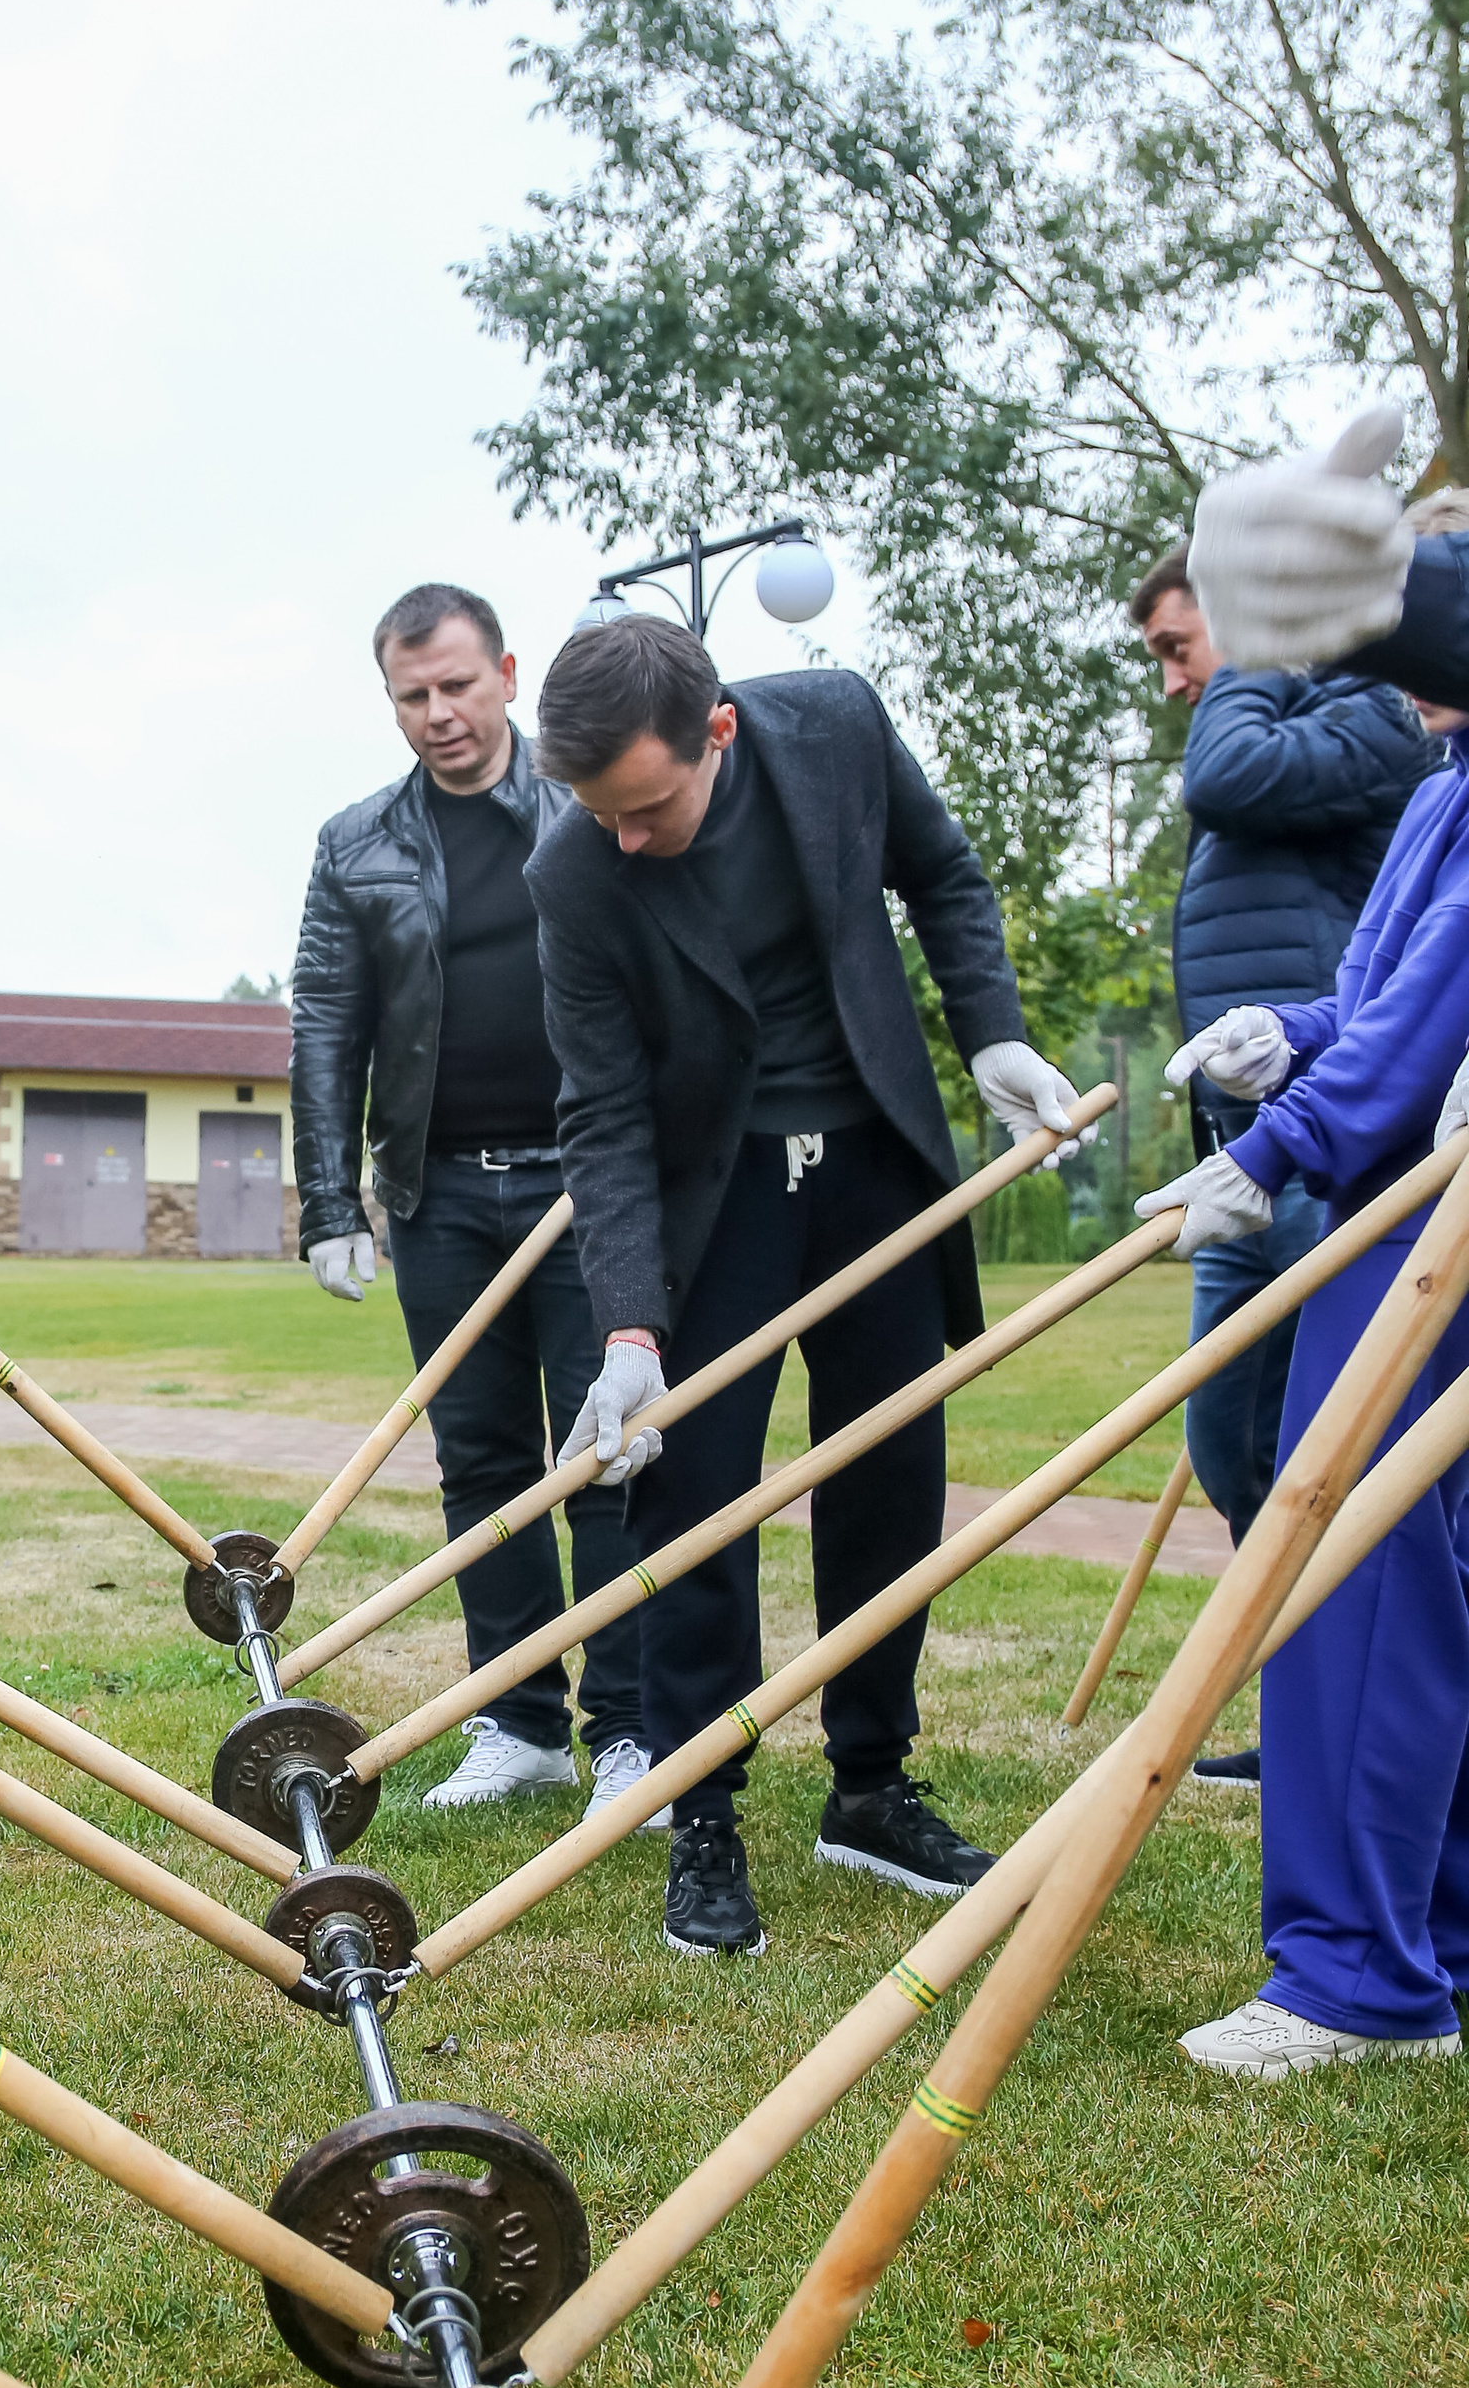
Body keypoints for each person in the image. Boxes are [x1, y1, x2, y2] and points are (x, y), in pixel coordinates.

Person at [527, 612, 1085, 1960]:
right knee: (693, 1493)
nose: (624, 839)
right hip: (714, 1201)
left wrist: (993, 1035)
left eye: (647, 807)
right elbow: (601, 1109)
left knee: (891, 1470)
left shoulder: (834, 727)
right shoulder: (575, 870)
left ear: (717, 732)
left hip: (876, 1163)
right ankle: (700, 1805)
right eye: (599, 813)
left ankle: (872, 1788)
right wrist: (629, 1328)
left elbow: (944, 879)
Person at [1133, 419, 1469, 2076]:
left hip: (1418, 1232)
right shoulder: (1441, 783)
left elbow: (1438, 1014)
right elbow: (1388, 993)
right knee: (1416, 1586)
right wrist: (1292, 1027)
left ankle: (1357, 1981)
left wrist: (1279, 1151)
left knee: (1351, 1578)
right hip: (1394, 1205)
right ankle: (1435, 1942)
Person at [291, 585, 649, 1812]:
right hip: (440, 1194)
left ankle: (629, 1735)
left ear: (505, 672)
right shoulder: (356, 845)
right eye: (411, 696)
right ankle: (518, 1725)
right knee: (479, 1466)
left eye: (455, 685)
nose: (438, 715)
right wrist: (328, 1201)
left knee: (607, 1451)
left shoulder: (585, 805)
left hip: (586, 1189)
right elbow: (328, 1025)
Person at [1131, 543, 1424, 1792]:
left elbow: (1228, 772)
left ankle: (1376, 1702)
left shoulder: (1368, 717)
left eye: (1178, 647)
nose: (1173, 683)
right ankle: (1308, 1685)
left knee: (1347, 1445)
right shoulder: (1279, 736)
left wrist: (1248, 653)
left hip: (1338, 1141)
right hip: (1249, 1147)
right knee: (1234, 1437)